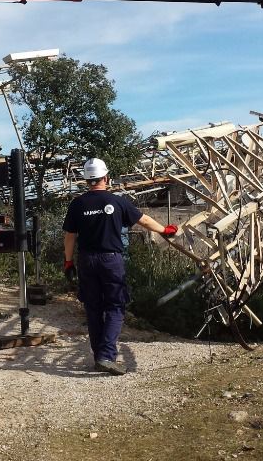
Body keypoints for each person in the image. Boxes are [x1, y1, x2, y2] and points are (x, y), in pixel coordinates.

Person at [62, 157, 177, 375]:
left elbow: (70, 236)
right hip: (110, 260)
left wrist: (68, 262)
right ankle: (106, 356)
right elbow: (143, 220)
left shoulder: (77, 204)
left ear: (87, 180)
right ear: (106, 178)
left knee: (93, 308)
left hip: (86, 260)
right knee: (115, 306)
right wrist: (164, 230)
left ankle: (100, 356)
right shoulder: (117, 202)